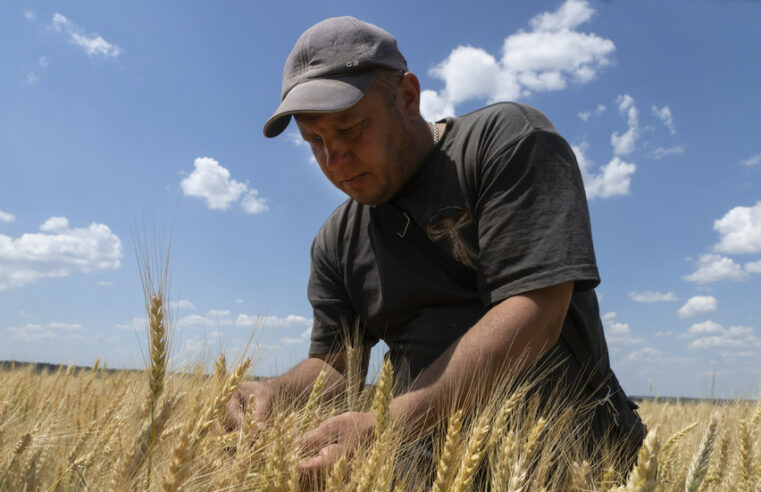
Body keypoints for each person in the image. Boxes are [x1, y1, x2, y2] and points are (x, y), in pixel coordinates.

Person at [227, 15, 645, 481]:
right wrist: (275, 392)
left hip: (574, 464)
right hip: (431, 475)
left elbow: (536, 311)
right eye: (314, 141)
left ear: (407, 97)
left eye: (349, 129)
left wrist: (389, 425)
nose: (333, 158)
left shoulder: (505, 143)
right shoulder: (335, 242)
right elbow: (337, 367)